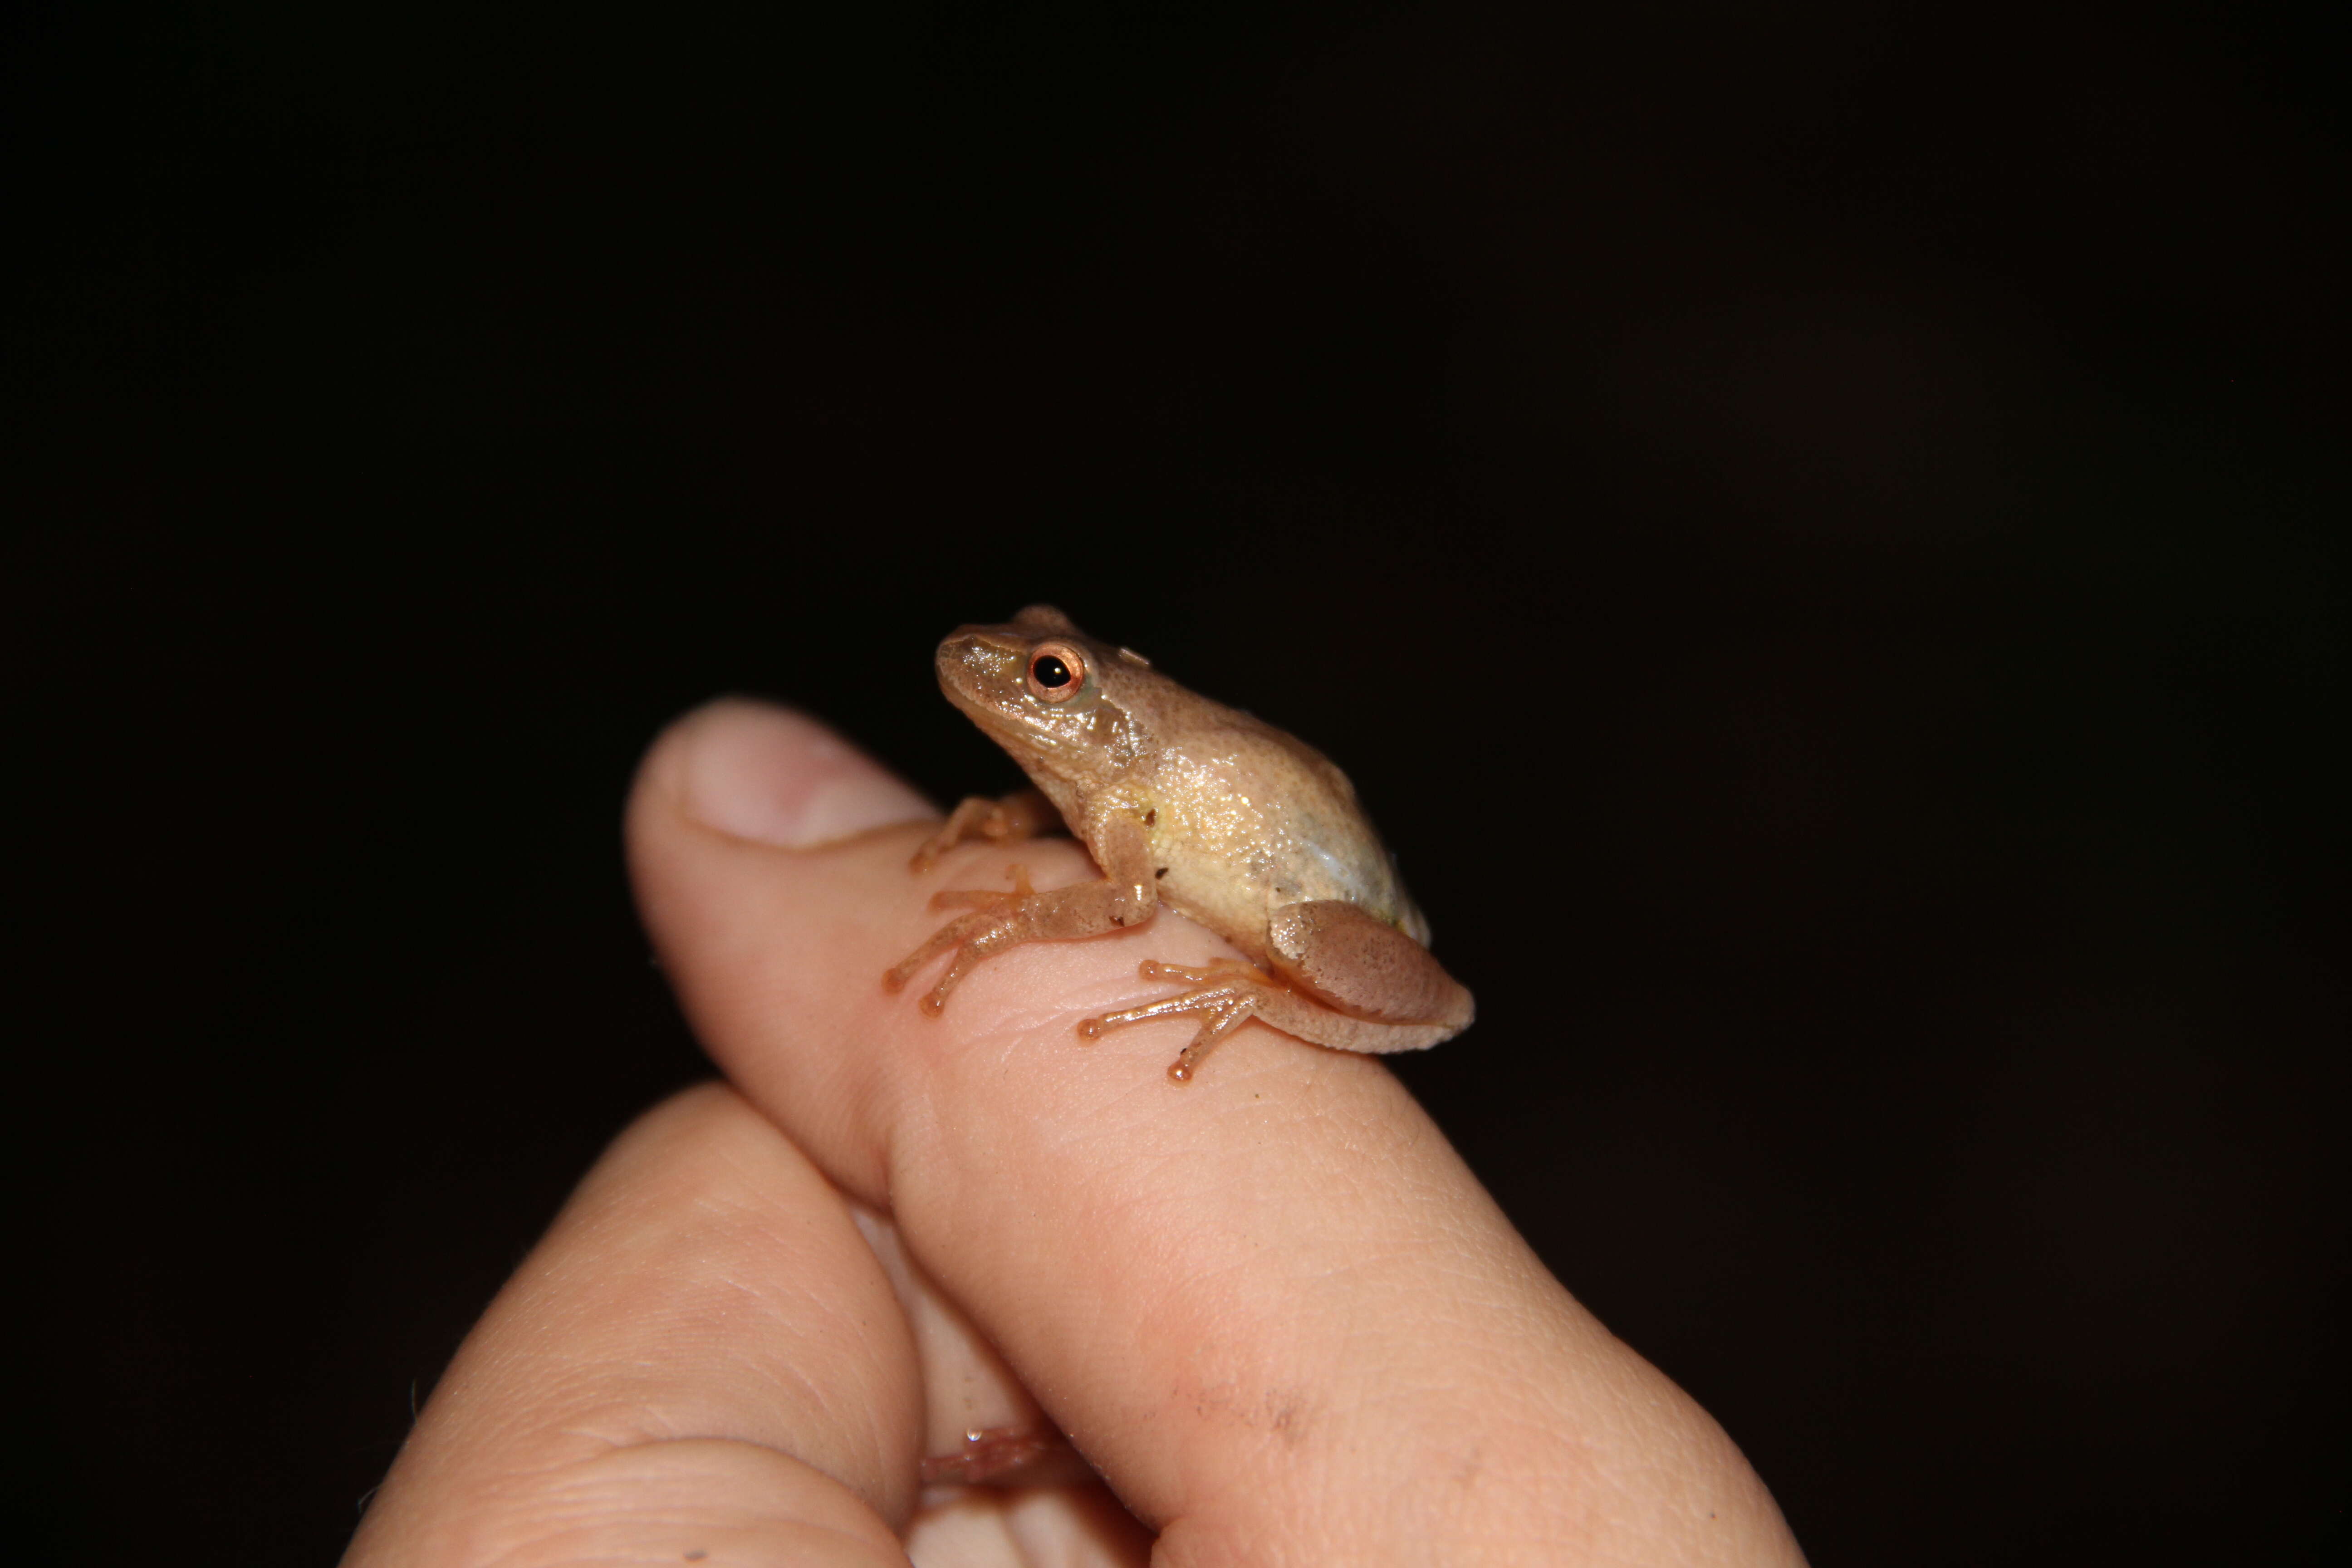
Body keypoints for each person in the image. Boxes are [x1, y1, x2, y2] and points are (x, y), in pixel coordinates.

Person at [340, 700, 1806, 1565]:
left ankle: (1270, 1002)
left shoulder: (1134, 796)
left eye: (1047, 677)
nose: (1011, 686)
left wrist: (1246, 994)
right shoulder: (1096, 775)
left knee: (1263, 946)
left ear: (1100, 705)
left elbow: (1113, 904)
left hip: (1341, 931)